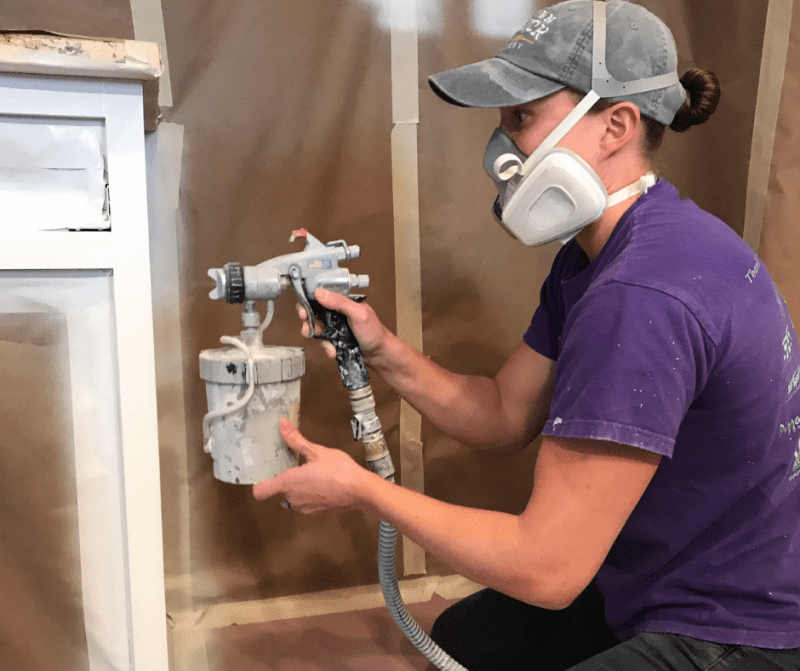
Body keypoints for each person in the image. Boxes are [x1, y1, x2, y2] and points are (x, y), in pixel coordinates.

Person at [253, 1, 800, 669]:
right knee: (465, 639)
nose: (500, 149)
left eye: (521, 118)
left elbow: (548, 567)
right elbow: (504, 413)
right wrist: (382, 350)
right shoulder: (603, 256)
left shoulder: (641, 292)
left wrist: (361, 489)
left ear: (616, 125)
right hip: (662, 566)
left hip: (738, 622)